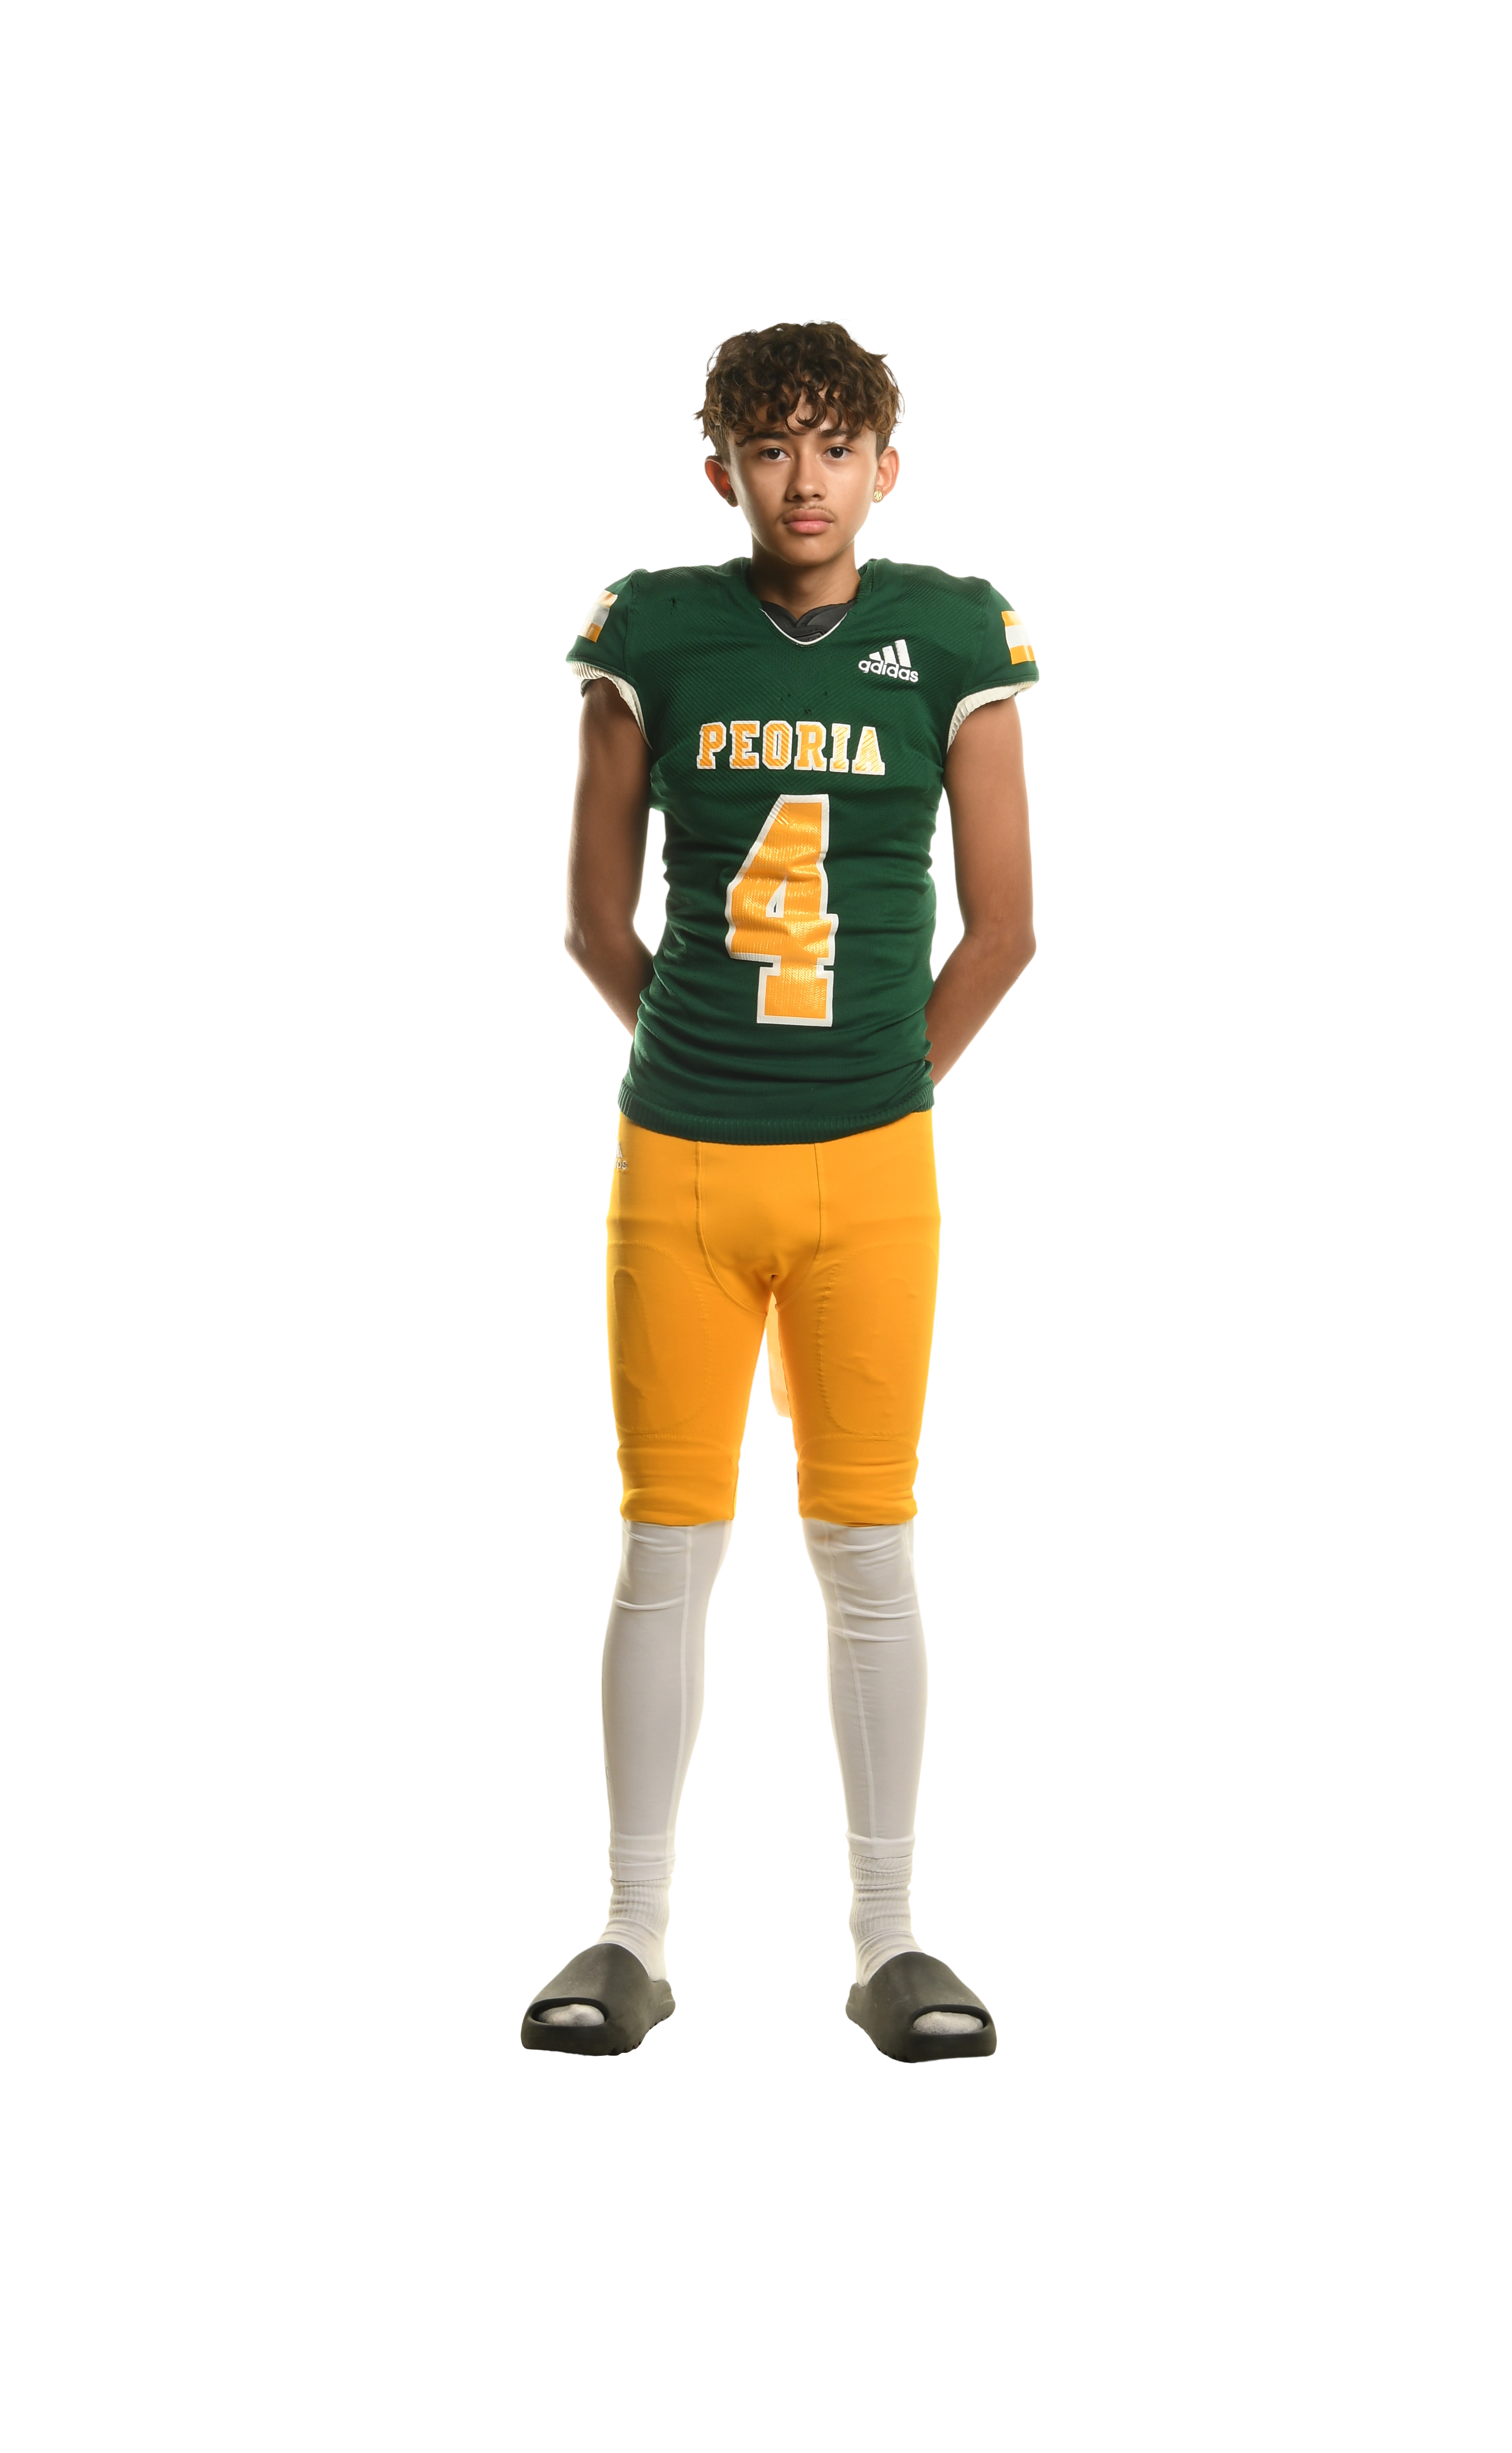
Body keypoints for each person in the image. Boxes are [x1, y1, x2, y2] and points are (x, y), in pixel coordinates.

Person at [520, 319, 1037, 2063]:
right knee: (665, 1547)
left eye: (833, 445)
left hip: (872, 1164)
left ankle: (892, 1938)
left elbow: (1007, 927)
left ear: (888, 463)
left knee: (869, 1547)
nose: (801, 479)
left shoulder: (949, 634)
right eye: (767, 447)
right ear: (719, 470)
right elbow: (593, 920)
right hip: (678, 1159)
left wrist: (872, 1091)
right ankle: (630, 1932)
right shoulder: (656, 629)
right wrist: (711, 1073)